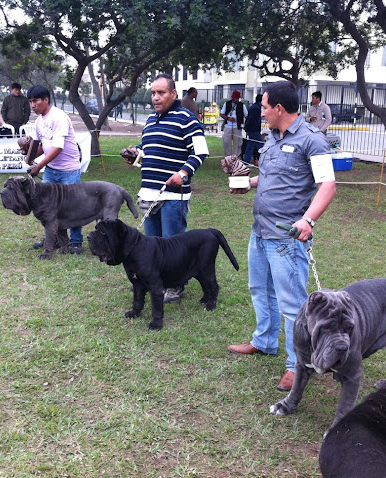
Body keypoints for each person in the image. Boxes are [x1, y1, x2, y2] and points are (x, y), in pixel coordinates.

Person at [227, 81, 337, 391]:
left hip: (287, 238)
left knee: (293, 305)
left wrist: (308, 220)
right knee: (259, 289)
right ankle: (263, 341)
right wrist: (247, 183)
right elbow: (274, 174)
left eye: (263, 107)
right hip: (259, 232)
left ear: (278, 108)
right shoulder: (272, 138)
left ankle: (297, 364)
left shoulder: (313, 141)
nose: (261, 112)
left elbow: (327, 186)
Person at [121, 73, 208, 303]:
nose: (156, 97)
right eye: (153, 93)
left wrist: (184, 173)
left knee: (174, 245)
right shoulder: (150, 120)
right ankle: (155, 282)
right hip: (149, 193)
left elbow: (200, 152)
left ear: (173, 94)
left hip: (172, 195)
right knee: (151, 245)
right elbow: (147, 147)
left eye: (161, 93)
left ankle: (176, 286)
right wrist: (135, 153)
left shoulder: (188, 119)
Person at [26, 84, 84, 254]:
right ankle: (54, 239)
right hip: (51, 169)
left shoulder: (59, 117)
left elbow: (58, 148)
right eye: (30, 101)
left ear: (46, 100)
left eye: (35, 101)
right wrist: (28, 156)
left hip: (69, 169)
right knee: (46, 205)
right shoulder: (38, 121)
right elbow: (42, 147)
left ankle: (76, 241)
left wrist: (38, 166)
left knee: (72, 206)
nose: (33, 105)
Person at [221, 90, 247, 158]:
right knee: (226, 142)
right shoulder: (226, 104)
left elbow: (246, 115)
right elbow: (222, 114)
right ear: (233, 98)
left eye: (238, 98)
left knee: (238, 143)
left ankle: (237, 157)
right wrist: (228, 118)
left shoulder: (242, 105)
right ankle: (228, 157)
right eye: (236, 98)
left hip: (237, 126)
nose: (237, 100)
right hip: (228, 126)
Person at [243, 94, 263, 164]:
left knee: (250, 145)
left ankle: (246, 160)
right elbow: (252, 119)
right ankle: (263, 160)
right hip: (254, 129)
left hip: (252, 129)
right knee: (260, 145)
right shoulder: (256, 108)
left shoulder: (255, 107)